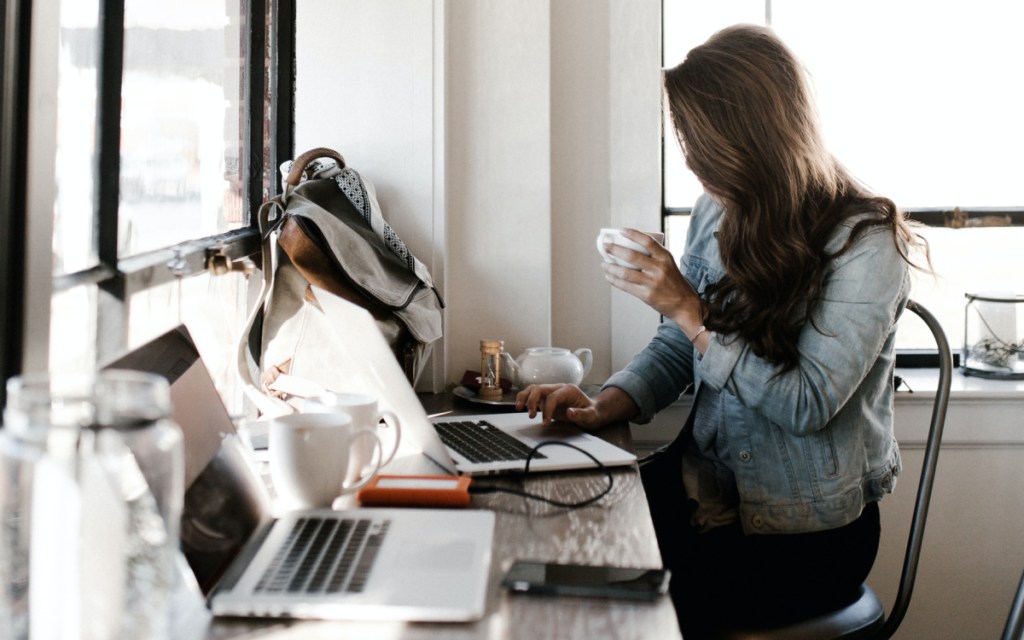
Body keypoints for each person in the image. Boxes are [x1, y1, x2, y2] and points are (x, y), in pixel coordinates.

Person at [516, 24, 929, 637]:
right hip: (703, 491)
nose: (689, 158)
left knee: (603, 605)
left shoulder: (868, 243)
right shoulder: (720, 208)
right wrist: (605, 404)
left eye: (698, 140)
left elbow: (806, 402)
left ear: (753, 136)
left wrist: (689, 308)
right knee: (548, 529)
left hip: (805, 535)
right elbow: (679, 345)